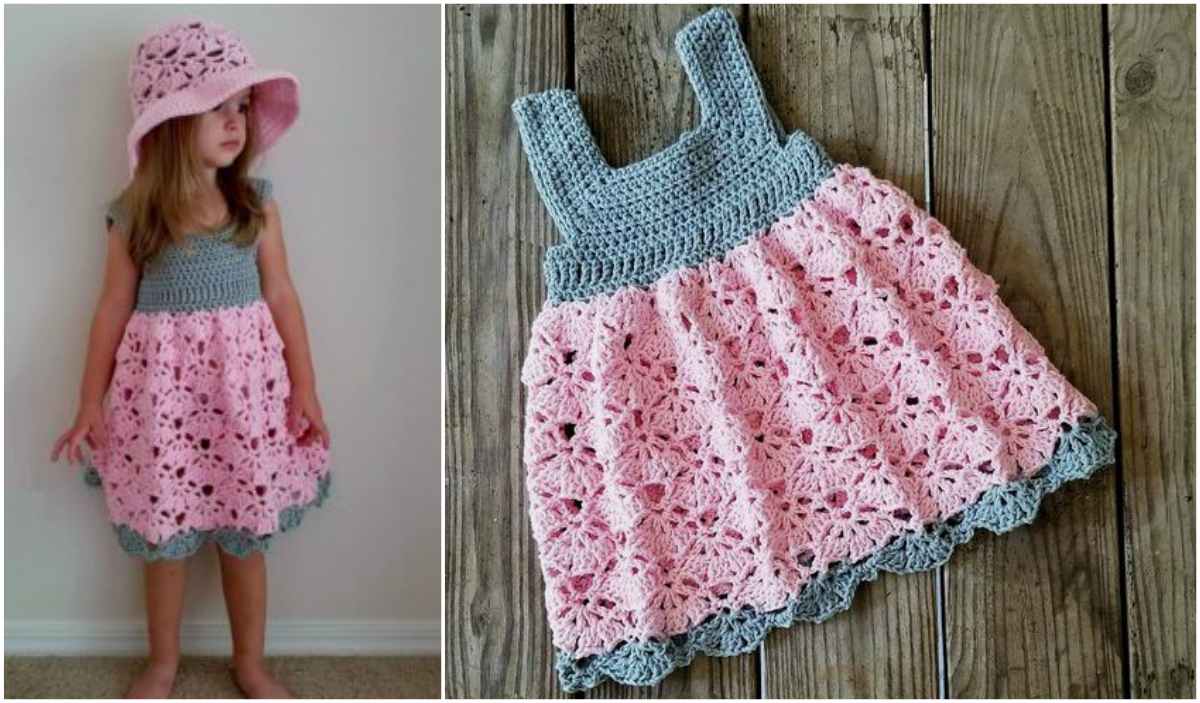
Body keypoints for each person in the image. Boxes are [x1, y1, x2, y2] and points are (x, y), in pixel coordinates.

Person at [49, 18, 332, 698]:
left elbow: (284, 296)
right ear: (172, 121)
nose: (236, 123)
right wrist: (89, 401)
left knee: (245, 537)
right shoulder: (134, 216)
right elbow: (111, 311)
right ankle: (163, 663)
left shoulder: (255, 207)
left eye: (241, 107)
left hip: (246, 403)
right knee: (165, 539)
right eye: (217, 108)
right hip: (163, 406)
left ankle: (251, 662)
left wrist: (305, 387)